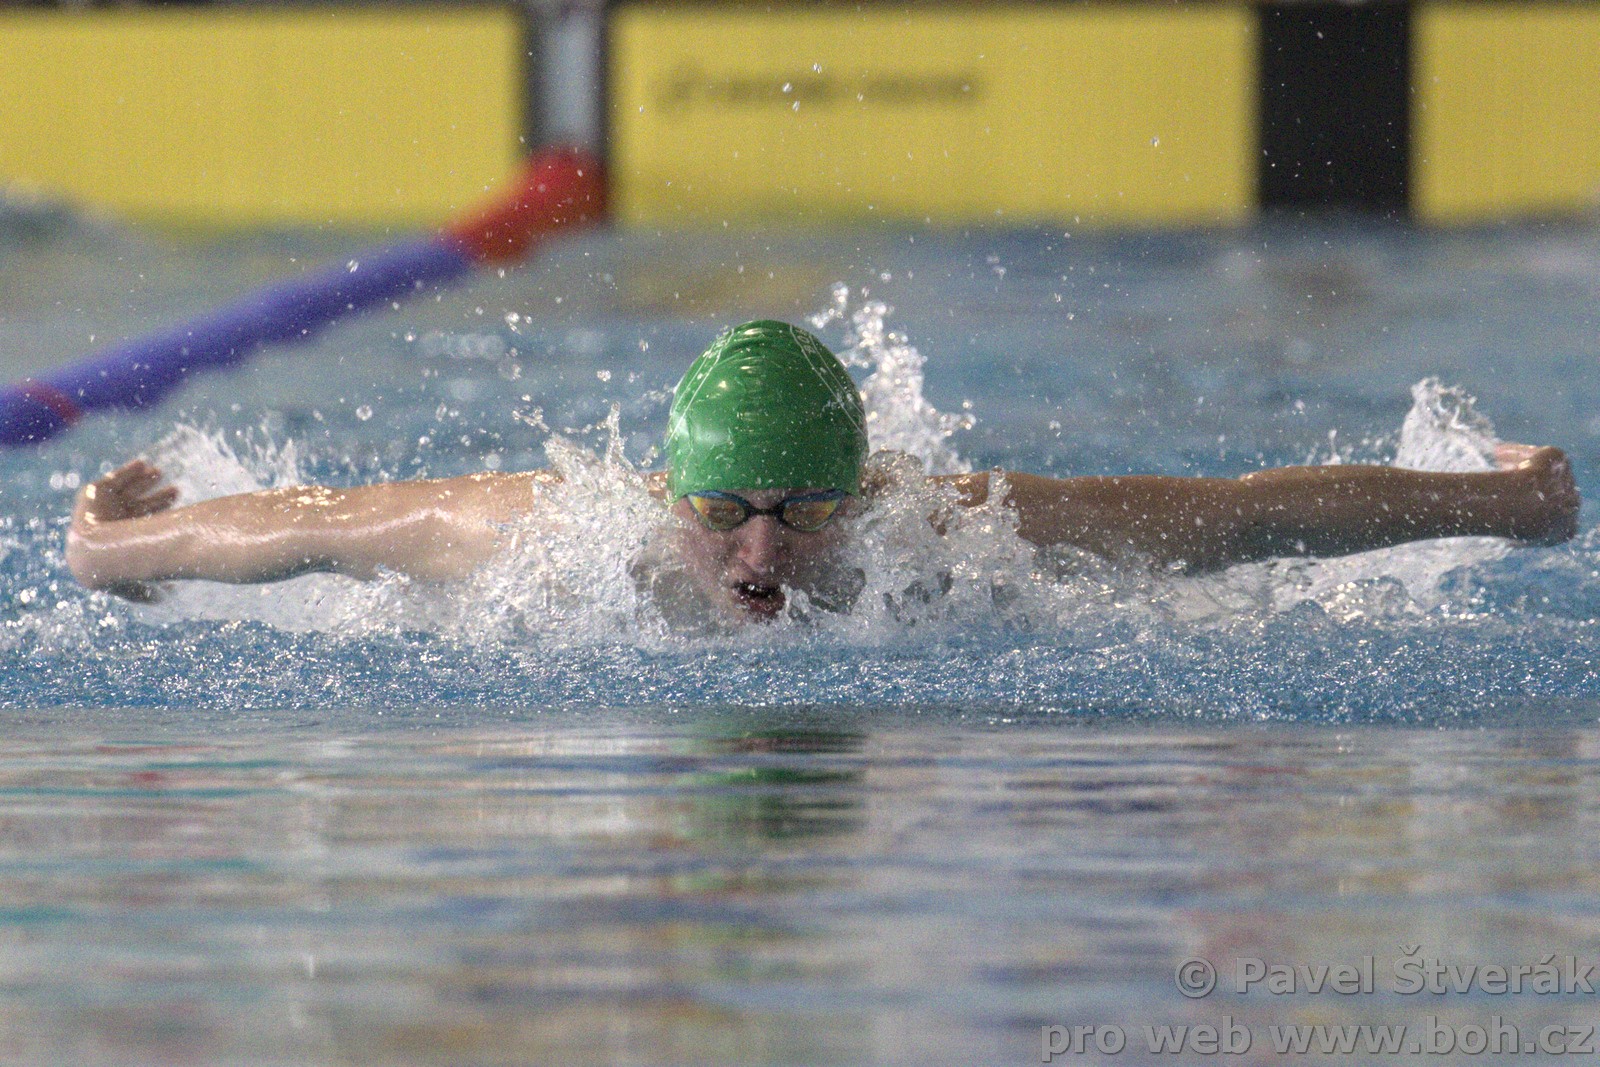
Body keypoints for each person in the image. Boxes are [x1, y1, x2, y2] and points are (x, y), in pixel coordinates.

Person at [66, 320, 1580, 621]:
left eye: (805, 512)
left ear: (865, 495)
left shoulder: (957, 534)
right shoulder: (537, 538)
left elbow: (1240, 520)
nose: (762, 559)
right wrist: (109, 550)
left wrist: (1510, 505)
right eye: (724, 512)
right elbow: (302, 528)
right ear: (665, 493)